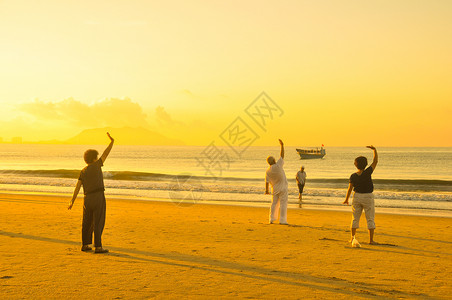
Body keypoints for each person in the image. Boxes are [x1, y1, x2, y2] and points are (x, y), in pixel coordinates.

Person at [68, 132, 114, 253]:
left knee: (87, 222)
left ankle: (85, 245)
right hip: (98, 197)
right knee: (98, 221)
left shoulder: (83, 171)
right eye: (97, 157)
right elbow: (106, 153)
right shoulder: (97, 165)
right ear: (94, 158)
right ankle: (98, 247)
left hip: (87, 198)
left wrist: (72, 200)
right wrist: (112, 142)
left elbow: (77, 187)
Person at [343, 145, 378, 244]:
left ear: (356, 165)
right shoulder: (367, 172)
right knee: (370, 218)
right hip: (368, 197)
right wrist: (374, 150)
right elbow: (375, 162)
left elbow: (350, 189)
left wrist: (346, 199)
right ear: (365, 164)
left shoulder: (353, 176)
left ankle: (352, 238)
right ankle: (371, 240)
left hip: (357, 196)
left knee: (355, 218)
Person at [265, 139, 289, 225]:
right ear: (274, 160)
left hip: (274, 189)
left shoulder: (268, 171)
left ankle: (271, 219)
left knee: (274, 204)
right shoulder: (278, 165)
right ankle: (282, 220)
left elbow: (267, 182)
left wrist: (266, 190)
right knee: (283, 204)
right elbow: (282, 155)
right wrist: (282, 145)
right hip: (283, 188)